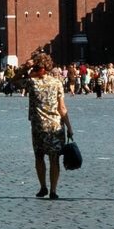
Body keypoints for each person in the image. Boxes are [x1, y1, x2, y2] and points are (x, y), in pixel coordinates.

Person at [26, 52, 73, 200]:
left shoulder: (31, 82)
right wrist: (70, 127)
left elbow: (13, 80)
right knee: (54, 159)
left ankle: (43, 187)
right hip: (55, 126)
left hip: (38, 126)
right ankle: (53, 190)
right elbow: (62, 108)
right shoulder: (57, 83)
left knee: (39, 156)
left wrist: (26, 67)